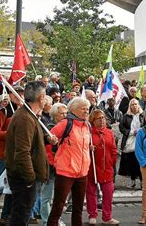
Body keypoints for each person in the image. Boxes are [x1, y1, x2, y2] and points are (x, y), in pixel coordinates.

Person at [4, 81, 51, 226]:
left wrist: (46, 138)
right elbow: (22, 152)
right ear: (42, 97)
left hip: (24, 177)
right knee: (20, 217)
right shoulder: (25, 118)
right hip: (24, 178)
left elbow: (31, 142)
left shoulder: (28, 115)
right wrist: (30, 179)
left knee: (21, 214)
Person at [47, 97, 91, 226]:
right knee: (58, 206)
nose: (86, 111)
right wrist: (53, 160)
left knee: (78, 208)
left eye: (87, 108)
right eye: (83, 108)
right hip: (65, 171)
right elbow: (48, 139)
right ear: (74, 109)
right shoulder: (66, 123)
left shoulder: (87, 125)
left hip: (82, 172)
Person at [0, 87, 24, 226]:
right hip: (3, 155)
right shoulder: (3, 112)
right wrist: (11, 134)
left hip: (16, 156)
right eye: (17, 95)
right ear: (10, 96)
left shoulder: (22, 113)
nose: (20, 97)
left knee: (11, 189)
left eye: (21, 94)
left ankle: (5, 217)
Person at [86, 110, 119, 225]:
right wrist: (88, 148)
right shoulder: (88, 133)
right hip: (92, 168)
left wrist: (111, 163)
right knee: (91, 192)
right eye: (98, 118)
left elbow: (114, 150)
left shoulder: (109, 133)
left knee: (108, 193)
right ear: (92, 121)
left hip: (107, 168)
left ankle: (107, 217)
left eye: (103, 118)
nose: (101, 120)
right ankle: (92, 215)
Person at [40, 103, 68, 226]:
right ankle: (47, 221)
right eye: (62, 113)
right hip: (51, 166)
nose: (65, 115)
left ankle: (55, 220)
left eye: (66, 113)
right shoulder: (49, 127)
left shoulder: (66, 126)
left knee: (60, 197)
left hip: (62, 166)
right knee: (47, 197)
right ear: (54, 114)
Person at [118, 98, 144, 189]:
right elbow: (121, 127)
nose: (134, 106)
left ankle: (142, 182)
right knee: (132, 162)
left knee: (140, 162)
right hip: (129, 140)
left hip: (141, 140)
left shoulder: (143, 115)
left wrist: (140, 131)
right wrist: (130, 132)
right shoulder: (126, 116)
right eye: (132, 104)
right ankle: (132, 181)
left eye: (136, 104)